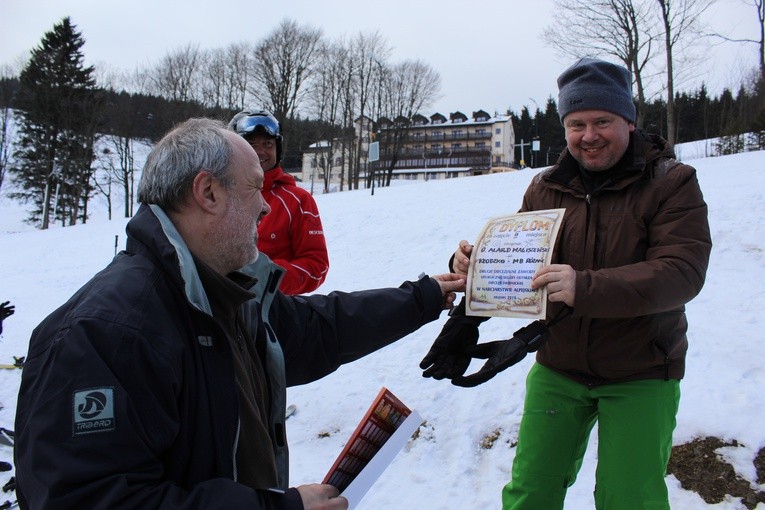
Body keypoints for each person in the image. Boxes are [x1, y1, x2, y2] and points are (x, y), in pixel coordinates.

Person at [14, 118, 465, 510]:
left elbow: (320, 329)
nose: (266, 204)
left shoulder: (224, 297)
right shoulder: (105, 333)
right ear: (208, 192)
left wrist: (423, 297)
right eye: (254, 186)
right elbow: (89, 500)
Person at [426, 58, 712, 509]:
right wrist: (473, 265)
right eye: (577, 123)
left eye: (603, 121)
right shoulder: (545, 186)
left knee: (628, 499)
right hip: (558, 366)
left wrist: (585, 286)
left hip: (641, 370)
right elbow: (522, 261)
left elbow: (682, 271)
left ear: (629, 123)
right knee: (530, 493)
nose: (589, 135)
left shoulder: (671, 183)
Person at [228, 109, 329, 295]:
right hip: (221, 307)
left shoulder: (298, 200)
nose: (260, 152)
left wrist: (267, 278)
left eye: (268, 144)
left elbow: (316, 265)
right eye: (250, 144)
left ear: (278, 149)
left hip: (274, 311)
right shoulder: (220, 195)